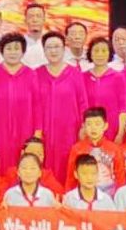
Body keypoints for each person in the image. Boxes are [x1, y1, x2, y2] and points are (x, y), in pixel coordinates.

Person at [0, 34, 42, 175]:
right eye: (9, 48)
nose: (13, 52)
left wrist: (38, 131)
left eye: (17, 48)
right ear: (2, 51)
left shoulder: (31, 74)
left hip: (25, 128)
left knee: (23, 160)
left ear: (23, 51)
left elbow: (37, 105)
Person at [35, 32, 89, 184]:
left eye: (57, 47)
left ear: (64, 49)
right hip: (43, 130)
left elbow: (83, 102)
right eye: (49, 47)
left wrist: (84, 126)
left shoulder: (75, 73)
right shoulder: (36, 74)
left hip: (69, 130)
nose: (53, 51)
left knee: (68, 164)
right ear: (44, 50)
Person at [66, 108, 122, 193]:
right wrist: (68, 195)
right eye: (89, 124)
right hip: (84, 193)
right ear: (84, 126)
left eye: (97, 124)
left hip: (110, 193)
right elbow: (71, 178)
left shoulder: (114, 149)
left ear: (105, 126)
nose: (93, 128)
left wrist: (120, 196)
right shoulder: (77, 149)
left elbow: (120, 177)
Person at [83, 38, 126, 139]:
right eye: (96, 51)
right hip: (89, 130)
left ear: (109, 53)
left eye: (104, 51)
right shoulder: (83, 77)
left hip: (112, 130)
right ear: (90, 53)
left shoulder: (118, 77)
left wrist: (120, 133)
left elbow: (123, 108)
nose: (100, 54)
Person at [20, 3, 49, 68]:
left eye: (38, 16)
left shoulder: (51, 42)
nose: (35, 20)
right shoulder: (19, 43)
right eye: (31, 16)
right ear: (25, 20)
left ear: (44, 20)